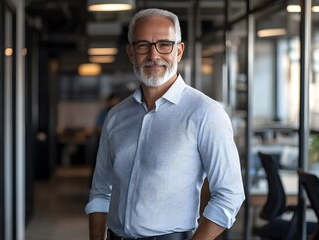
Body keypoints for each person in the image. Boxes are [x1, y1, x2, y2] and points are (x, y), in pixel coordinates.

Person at [85, 8, 245, 240]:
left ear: (179, 51)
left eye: (164, 44)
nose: (153, 55)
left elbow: (229, 195)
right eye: (143, 45)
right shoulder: (116, 116)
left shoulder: (206, 113)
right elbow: (100, 191)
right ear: (131, 52)